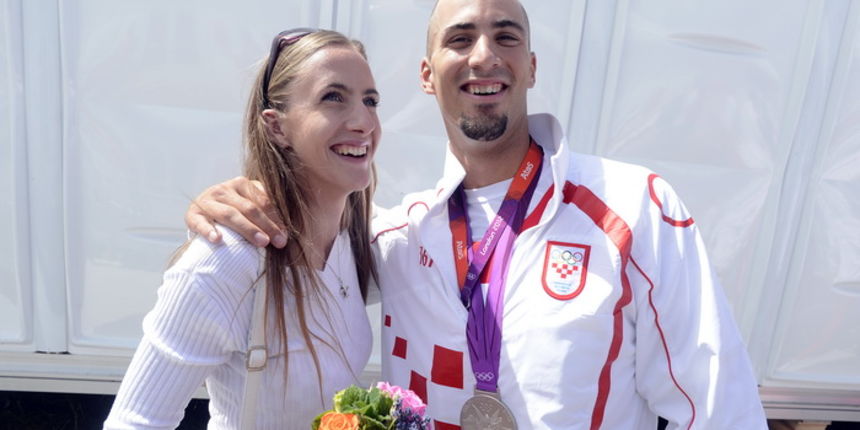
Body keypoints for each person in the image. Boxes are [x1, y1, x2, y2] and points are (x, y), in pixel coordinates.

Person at [185, 0, 768, 428]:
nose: (484, 56)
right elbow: (307, 244)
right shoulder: (400, 235)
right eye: (460, 39)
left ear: (531, 66)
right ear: (427, 75)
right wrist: (235, 200)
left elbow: (718, 406)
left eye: (505, 36)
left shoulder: (634, 207)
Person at [105, 29, 381, 429]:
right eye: (333, 97)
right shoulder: (226, 261)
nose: (363, 121)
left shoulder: (359, 239)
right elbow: (133, 422)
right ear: (277, 128)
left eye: (370, 101)